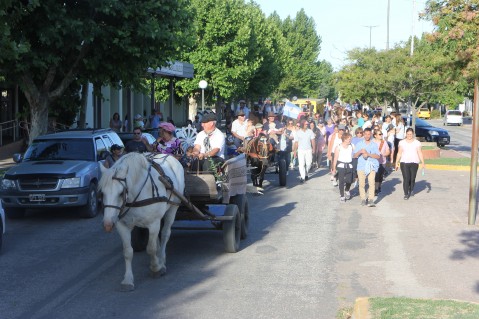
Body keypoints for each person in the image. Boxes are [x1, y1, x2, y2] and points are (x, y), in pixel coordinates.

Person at [395, 127, 425, 200]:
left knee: (412, 178)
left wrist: (423, 162)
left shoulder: (417, 143)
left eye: (411, 134)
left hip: (414, 162)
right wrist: (396, 162)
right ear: (406, 134)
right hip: (404, 162)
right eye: (408, 134)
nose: (409, 136)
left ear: (413, 134)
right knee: (406, 178)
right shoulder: (402, 142)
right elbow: (399, 153)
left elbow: (419, 153)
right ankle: (405, 193)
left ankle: (411, 190)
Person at [354, 128, 380, 207]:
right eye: (366, 134)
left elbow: (378, 156)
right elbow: (354, 155)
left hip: (371, 165)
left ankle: (371, 200)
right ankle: (363, 199)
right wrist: (360, 151)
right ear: (363, 134)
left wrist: (368, 154)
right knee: (361, 184)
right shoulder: (359, 144)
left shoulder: (374, 144)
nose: (367, 136)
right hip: (361, 166)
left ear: (371, 135)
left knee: (371, 182)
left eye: (369, 134)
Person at [332, 133, 354, 203]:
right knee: (341, 181)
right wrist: (334, 168)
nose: (350, 140)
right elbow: (335, 158)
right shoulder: (338, 147)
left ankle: (347, 190)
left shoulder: (352, 146)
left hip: (349, 165)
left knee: (349, 180)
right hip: (341, 165)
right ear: (344, 139)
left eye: (350, 138)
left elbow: (355, 155)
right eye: (348, 139)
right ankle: (342, 195)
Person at [373, 129, 391, 195]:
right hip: (374, 162)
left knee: (380, 175)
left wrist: (384, 154)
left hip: (382, 161)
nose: (381, 135)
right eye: (379, 134)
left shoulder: (384, 142)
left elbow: (388, 151)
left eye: (381, 134)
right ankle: (376, 189)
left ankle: (379, 186)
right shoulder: (372, 142)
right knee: (376, 175)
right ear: (375, 135)